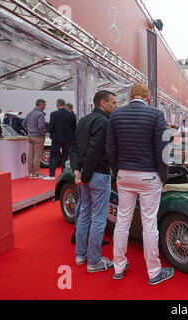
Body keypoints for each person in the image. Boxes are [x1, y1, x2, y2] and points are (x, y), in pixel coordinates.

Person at [106, 83, 174, 284]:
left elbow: (110, 149)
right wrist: (163, 176)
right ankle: (154, 272)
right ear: (147, 96)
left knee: (122, 222)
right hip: (149, 176)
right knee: (149, 225)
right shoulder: (156, 115)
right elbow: (162, 149)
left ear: (130, 96)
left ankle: (118, 267)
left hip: (125, 175)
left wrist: (119, 172)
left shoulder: (116, 116)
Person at [69, 90, 117, 273]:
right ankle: (94, 261)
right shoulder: (104, 122)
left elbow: (73, 147)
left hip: (84, 174)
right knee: (97, 218)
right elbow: (95, 150)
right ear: (103, 104)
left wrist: (77, 171)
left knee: (85, 214)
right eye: (113, 102)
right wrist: (85, 175)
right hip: (96, 175)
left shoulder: (83, 120)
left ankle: (81, 255)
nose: (115, 105)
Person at [43, 99, 76, 180]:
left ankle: (52, 175)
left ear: (57, 105)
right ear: (64, 105)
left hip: (56, 139)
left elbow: (51, 127)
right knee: (65, 156)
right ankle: (63, 175)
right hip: (68, 139)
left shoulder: (53, 114)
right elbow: (74, 127)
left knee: (53, 156)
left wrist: (51, 136)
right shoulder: (71, 114)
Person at [23, 99, 46, 179]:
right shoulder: (40, 114)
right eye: (44, 105)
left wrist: (29, 130)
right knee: (37, 155)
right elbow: (41, 126)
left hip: (30, 136)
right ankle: (37, 173)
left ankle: (31, 173)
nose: (45, 107)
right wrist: (43, 134)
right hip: (38, 136)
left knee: (31, 155)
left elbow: (24, 123)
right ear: (40, 104)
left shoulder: (29, 113)